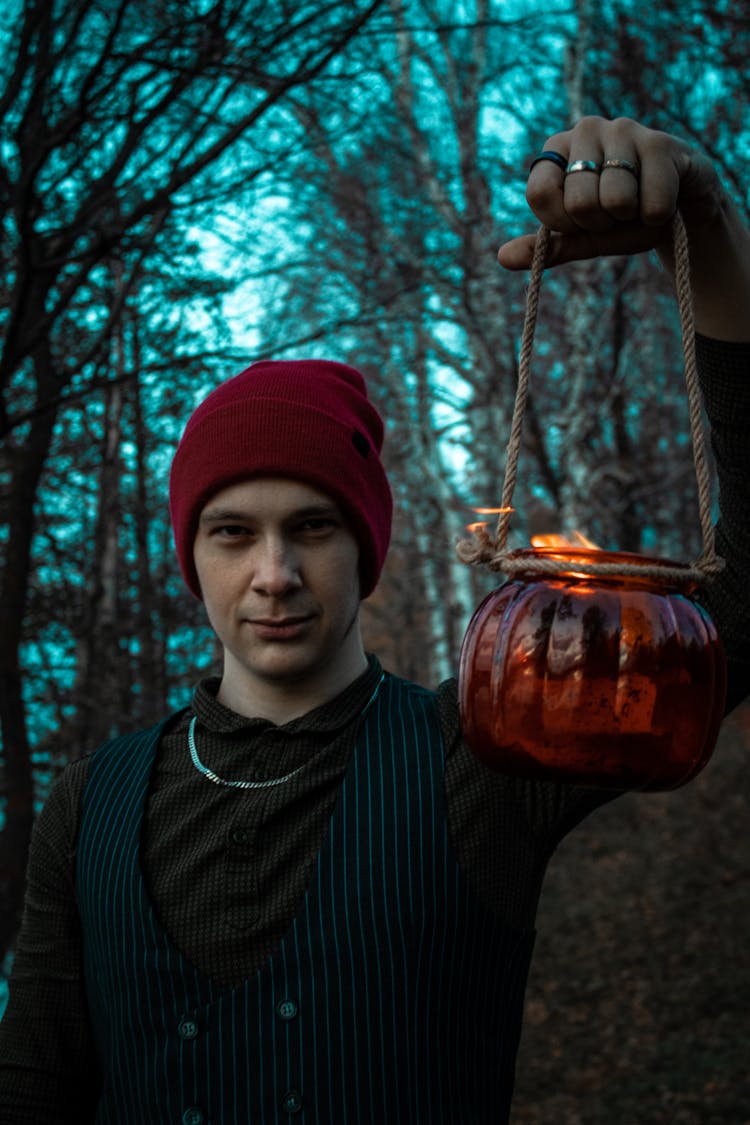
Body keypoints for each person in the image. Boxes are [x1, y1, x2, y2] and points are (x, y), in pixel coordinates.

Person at [1, 115, 748, 1124]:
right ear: (191, 554)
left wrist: (709, 230)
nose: (274, 573)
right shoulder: (91, 803)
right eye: (232, 533)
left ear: (365, 546)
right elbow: (35, 1087)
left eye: (312, 526)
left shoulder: (483, 759)